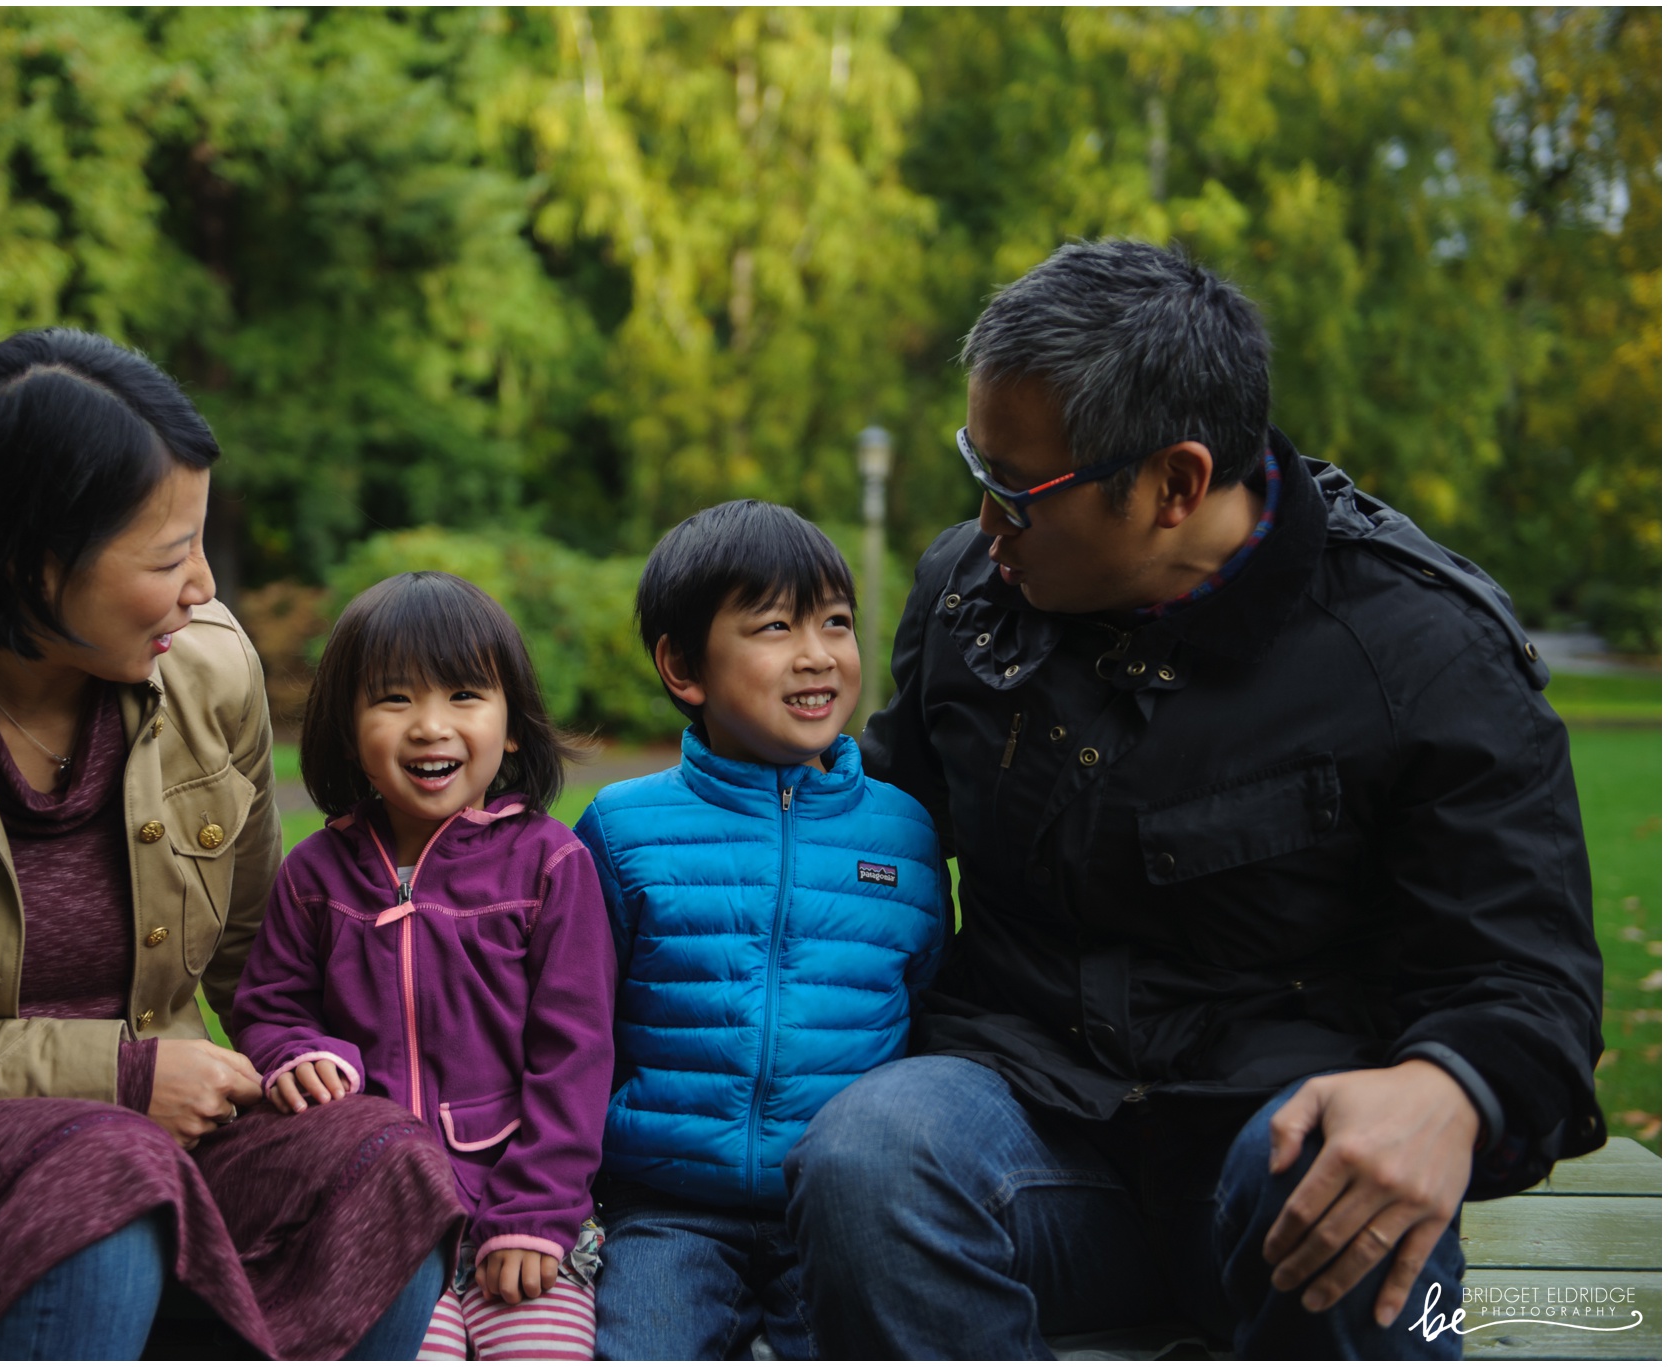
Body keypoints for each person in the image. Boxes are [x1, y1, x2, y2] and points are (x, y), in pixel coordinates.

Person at [783, 240, 1606, 1359]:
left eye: (1014, 492)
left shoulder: (1422, 652)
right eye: (976, 469)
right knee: (867, 1154)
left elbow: (1527, 977)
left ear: (1175, 484)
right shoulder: (970, 593)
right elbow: (872, 825)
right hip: (1020, 1129)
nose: (983, 527)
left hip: (1281, 1166)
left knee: (1324, 1170)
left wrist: (1447, 1087)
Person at [0, 329, 463, 1360]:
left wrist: (316, 1067)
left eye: (199, 543)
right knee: (99, 1173)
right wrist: (117, 1073)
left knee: (382, 1161)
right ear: (28, 563)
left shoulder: (210, 671)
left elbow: (259, 965)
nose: (203, 585)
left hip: (157, 1144)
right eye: (167, 556)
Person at [575, 501, 949, 1359]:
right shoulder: (624, 829)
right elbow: (573, 1026)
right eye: (776, 626)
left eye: (836, 622)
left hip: (835, 1210)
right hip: (664, 1208)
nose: (817, 653)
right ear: (683, 666)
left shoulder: (902, 833)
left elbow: (929, 1014)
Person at [231, 571, 617, 1361]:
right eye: (394, 699)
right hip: (378, 1219)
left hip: (521, 1213)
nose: (430, 726)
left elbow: (575, 1055)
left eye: (464, 695)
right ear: (348, 730)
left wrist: (535, 1211)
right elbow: (269, 1006)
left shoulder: (550, 864)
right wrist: (296, 1053)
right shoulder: (315, 874)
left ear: (513, 725)